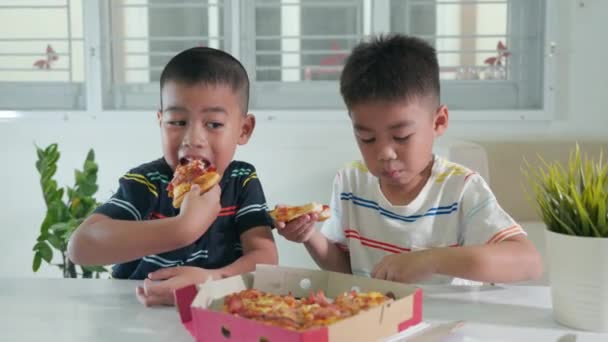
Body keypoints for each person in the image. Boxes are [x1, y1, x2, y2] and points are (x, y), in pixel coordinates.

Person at [276, 34, 542, 285]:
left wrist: (432, 260)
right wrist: (310, 236)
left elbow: (528, 262)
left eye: (401, 137)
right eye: (367, 139)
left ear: (438, 122)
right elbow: (347, 271)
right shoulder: (350, 182)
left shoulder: (460, 188)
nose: (385, 153)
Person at [68, 47, 278, 305]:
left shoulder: (242, 179)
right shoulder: (146, 183)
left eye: (213, 124)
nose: (193, 140)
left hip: (214, 316)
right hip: (139, 317)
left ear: (243, 130)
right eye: (177, 122)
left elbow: (265, 258)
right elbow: (80, 246)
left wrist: (211, 281)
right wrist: (183, 228)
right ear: (160, 121)